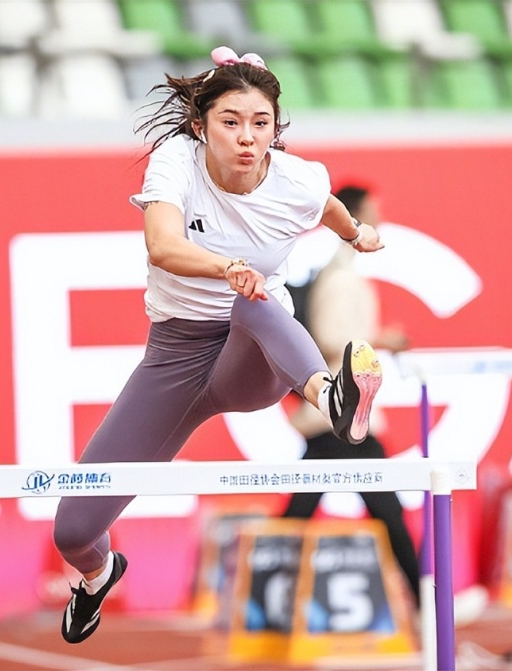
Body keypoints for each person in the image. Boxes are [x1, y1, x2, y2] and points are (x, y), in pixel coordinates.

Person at [53, 46, 387, 644]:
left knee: (254, 302)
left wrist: (357, 232)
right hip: (174, 359)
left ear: (275, 130)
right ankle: (98, 577)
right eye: (230, 122)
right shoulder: (176, 161)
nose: (245, 139)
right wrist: (223, 265)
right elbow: (160, 244)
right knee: (73, 529)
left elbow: (327, 207)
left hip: (251, 355)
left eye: (260, 124)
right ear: (202, 124)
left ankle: (328, 396)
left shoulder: (296, 179)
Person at [282, 184, 422, 609]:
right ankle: (427, 602)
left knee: (304, 513)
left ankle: (259, 596)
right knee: (387, 513)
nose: (378, 220)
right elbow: (330, 337)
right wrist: (381, 339)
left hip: (338, 414)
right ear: (352, 219)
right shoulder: (339, 277)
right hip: (340, 414)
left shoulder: (340, 272)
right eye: (371, 213)